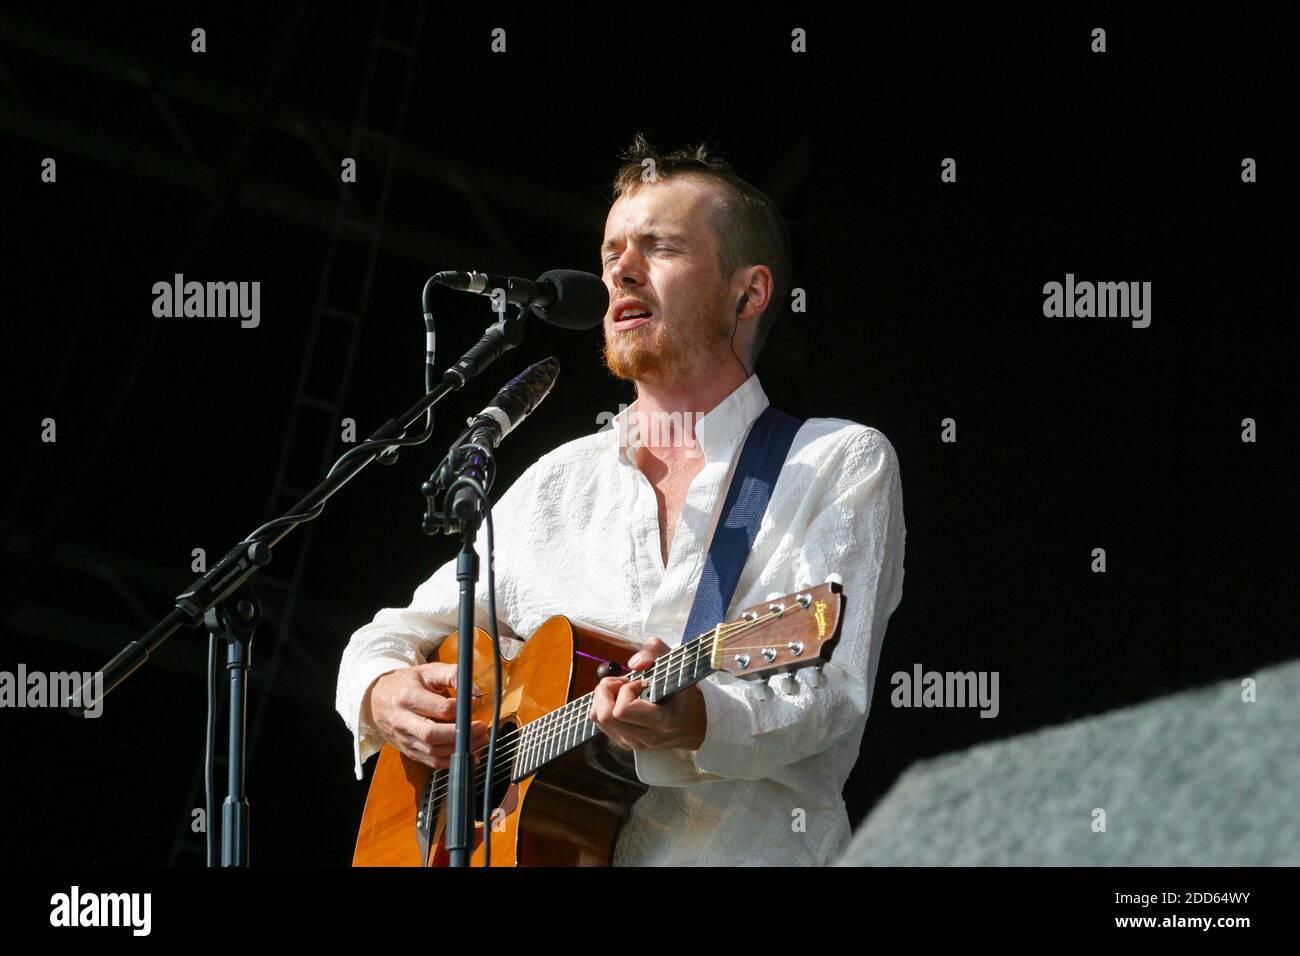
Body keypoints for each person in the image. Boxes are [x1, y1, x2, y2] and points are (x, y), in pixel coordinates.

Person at [335, 134, 906, 865]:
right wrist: (384, 696)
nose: (621, 272)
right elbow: (389, 634)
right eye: (611, 255)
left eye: (660, 248)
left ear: (749, 291)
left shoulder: (835, 460)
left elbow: (829, 695)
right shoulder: (557, 483)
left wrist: (695, 715)